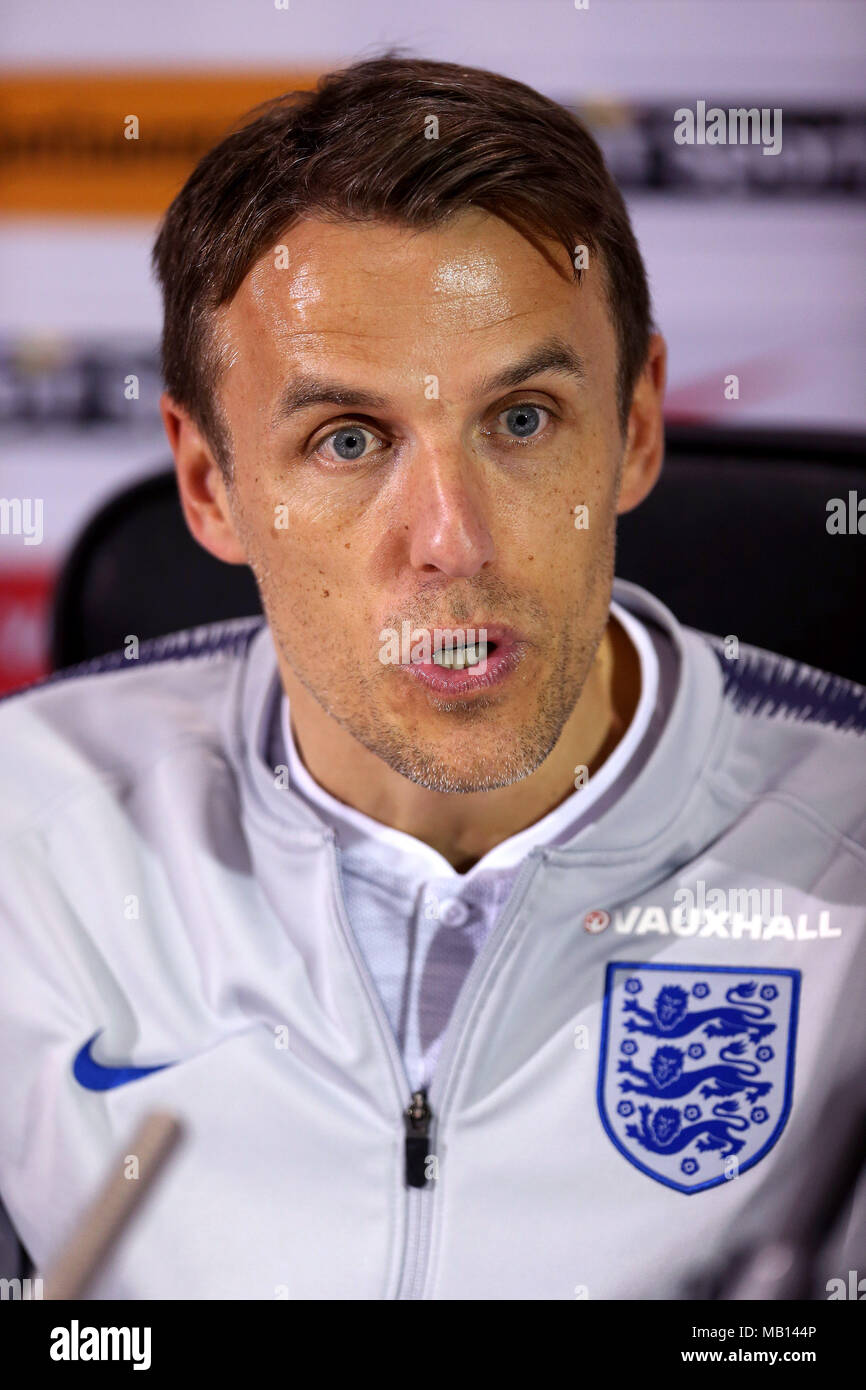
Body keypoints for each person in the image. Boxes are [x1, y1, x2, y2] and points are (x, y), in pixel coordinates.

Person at [0, 54, 863, 1300]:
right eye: (347, 441)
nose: (452, 539)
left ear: (632, 426)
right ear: (209, 484)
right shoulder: (26, 840)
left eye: (518, 420)